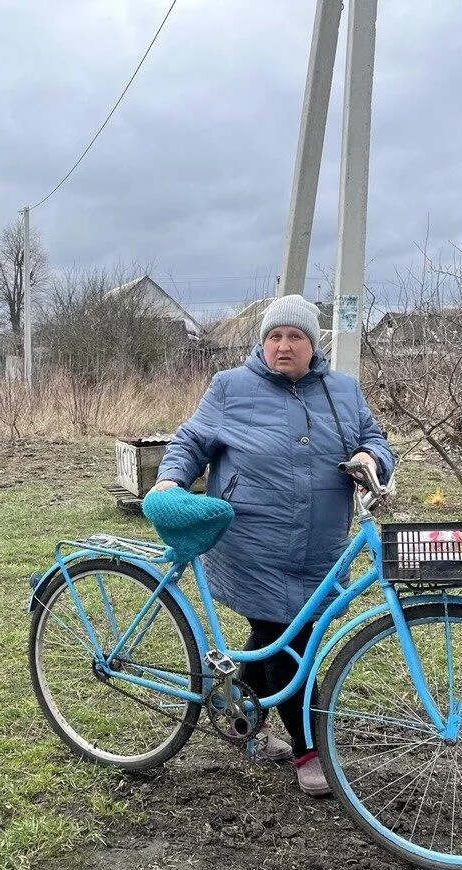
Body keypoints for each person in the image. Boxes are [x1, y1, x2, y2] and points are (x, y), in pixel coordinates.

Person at [151, 293, 393, 796]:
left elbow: (374, 437)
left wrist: (372, 457)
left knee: (277, 635)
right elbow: (192, 440)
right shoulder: (230, 387)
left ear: (313, 343)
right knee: (291, 635)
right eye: (274, 337)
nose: (284, 346)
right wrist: (171, 480)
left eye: (295, 336)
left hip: (321, 543)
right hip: (251, 539)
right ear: (263, 343)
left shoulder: (342, 391)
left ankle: (239, 713)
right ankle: (308, 749)